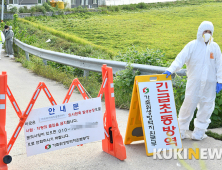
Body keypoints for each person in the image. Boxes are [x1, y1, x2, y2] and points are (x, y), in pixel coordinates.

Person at [163, 21, 222, 141]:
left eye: (209, 32)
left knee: (206, 108)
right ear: (200, 32)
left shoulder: (214, 47)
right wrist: (171, 69)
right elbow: (181, 58)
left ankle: (199, 132)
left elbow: (219, 64)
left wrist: (220, 80)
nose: (207, 34)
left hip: (209, 85)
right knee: (188, 106)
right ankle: (180, 131)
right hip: (194, 83)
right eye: (205, 31)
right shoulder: (192, 45)